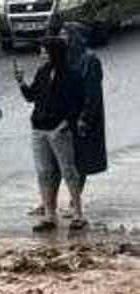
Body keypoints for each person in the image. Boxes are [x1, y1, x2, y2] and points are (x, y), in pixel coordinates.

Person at [17, 36, 84, 232]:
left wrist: (66, 124)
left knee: (68, 171)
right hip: (39, 129)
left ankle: (78, 213)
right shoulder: (42, 72)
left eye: (45, 51)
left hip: (58, 129)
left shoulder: (72, 75)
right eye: (41, 51)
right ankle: (49, 215)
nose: (41, 55)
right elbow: (31, 98)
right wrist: (21, 82)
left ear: (55, 53)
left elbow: (79, 102)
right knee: (44, 172)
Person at [65, 22, 106, 225]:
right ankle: (72, 200)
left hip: (84, 116)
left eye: (66, 34)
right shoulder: (67, 58)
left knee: (81, 161)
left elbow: (93, 94)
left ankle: (75, 201)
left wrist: (85, 118)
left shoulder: (90, 60)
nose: (62, 37)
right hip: (69, 116)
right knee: (70, 159)